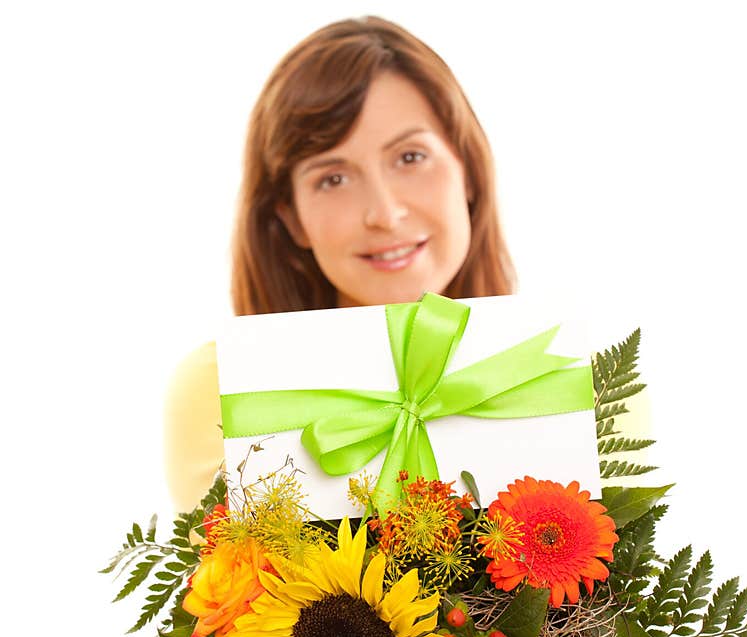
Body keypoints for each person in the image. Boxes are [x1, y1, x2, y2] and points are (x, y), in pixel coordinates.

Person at [164, 16, 517, 512]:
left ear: (469, 171)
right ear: (291, 218)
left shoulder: (574, 376)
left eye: (410, 157)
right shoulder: (221, 389)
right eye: (333, 178)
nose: (385, 213)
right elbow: (228, 584)